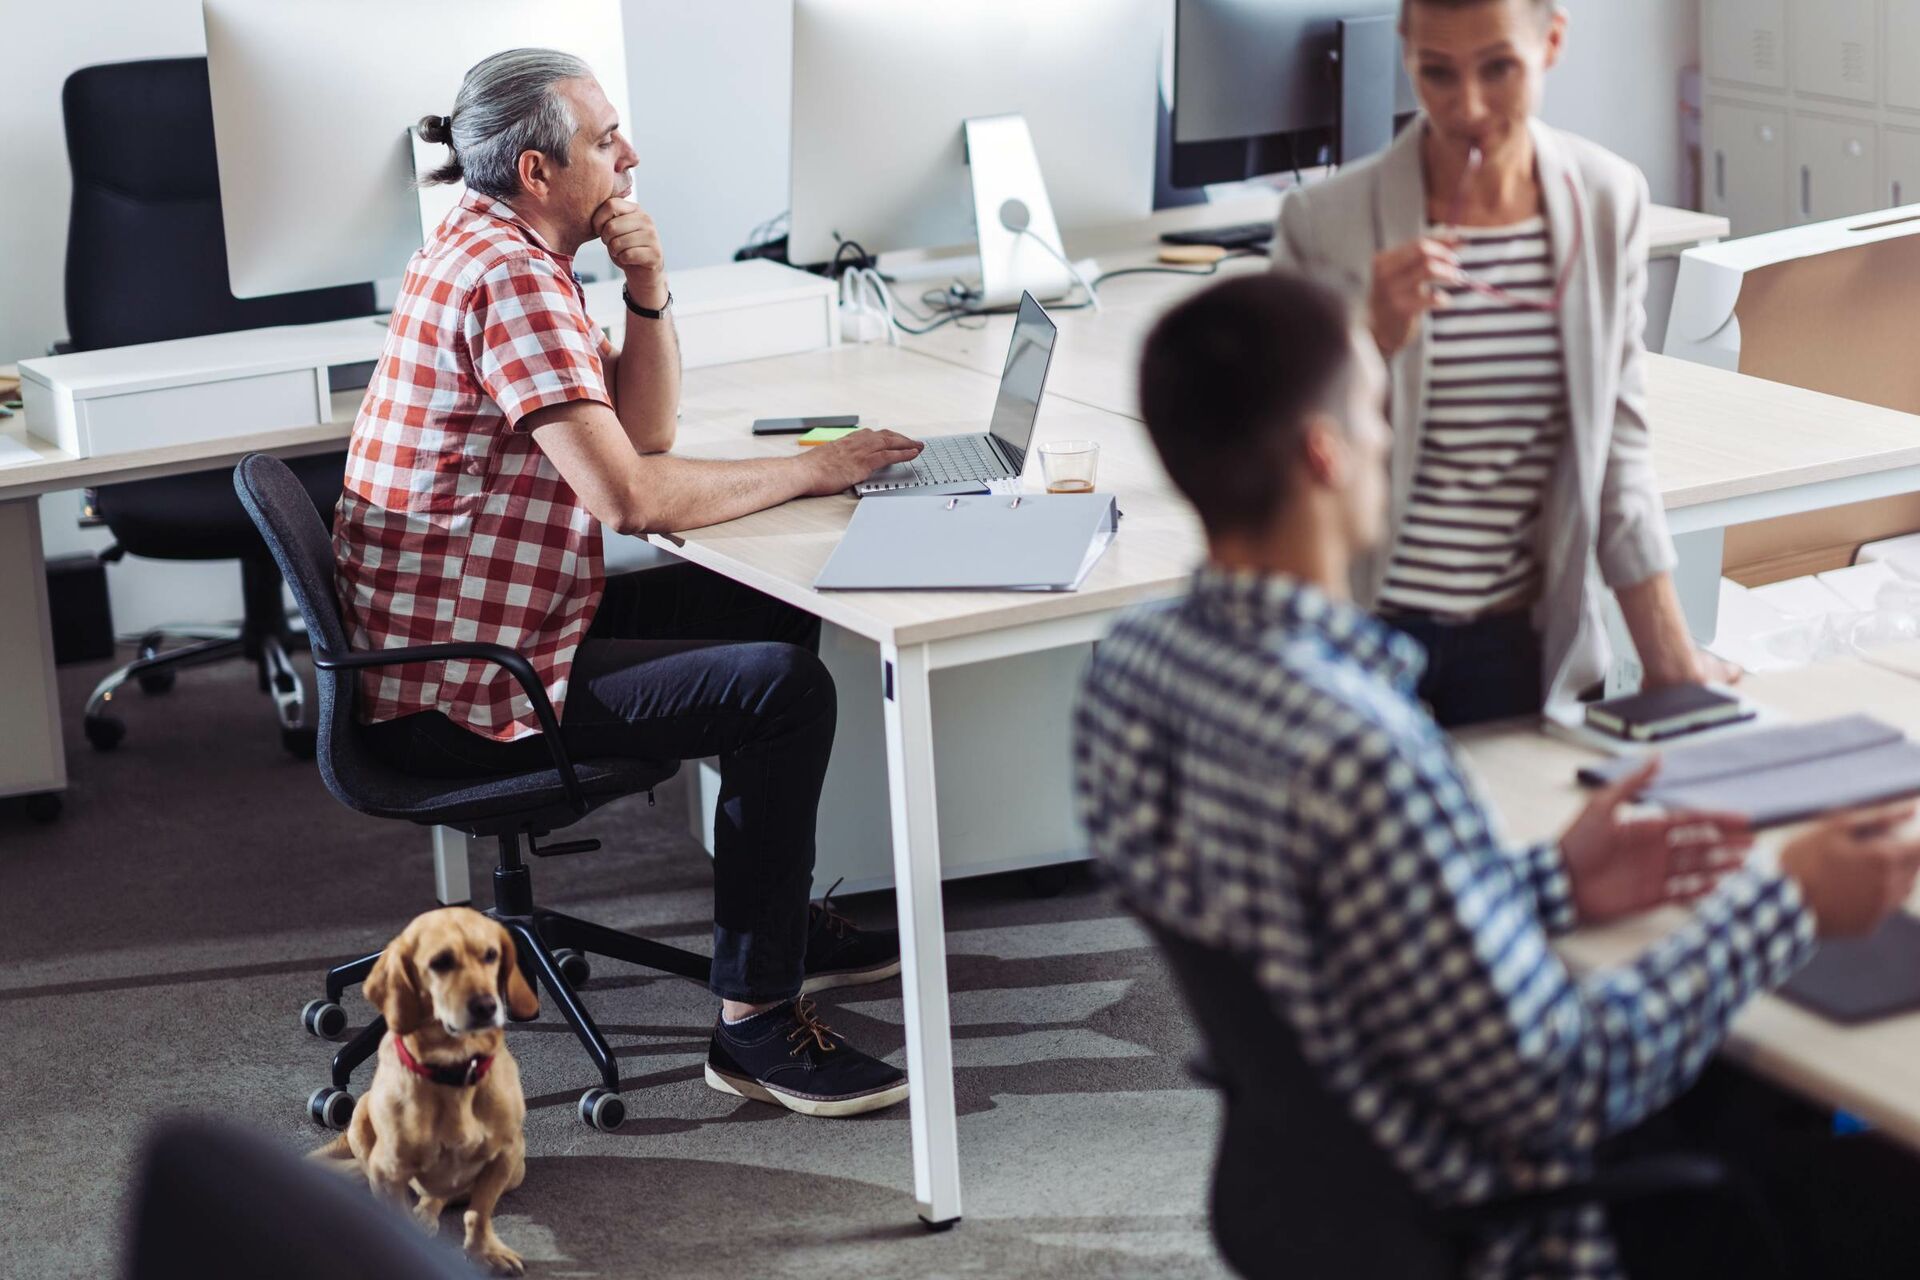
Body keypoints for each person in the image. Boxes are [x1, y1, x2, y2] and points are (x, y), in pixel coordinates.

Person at [1073, 271, 1920, 1278]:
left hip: (1316, 1193)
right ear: (1323, 452)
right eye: (1376, 408)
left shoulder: (1129, 671)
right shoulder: (1361, 748)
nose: (1393, 436)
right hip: (1510, 1217)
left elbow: (1336, 926)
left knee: (1759, 1089)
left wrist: (1556, 878)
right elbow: (1562, 1076)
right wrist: (1789, 899)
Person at [333, 48, 923, 1117]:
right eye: (606, 141)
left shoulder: (497, 245)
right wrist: (816, 466)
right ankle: (753, 1025)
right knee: (783, 692)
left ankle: (774, 917)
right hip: (467, 688)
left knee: (774, 605)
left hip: (490, 633)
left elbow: (641, 430)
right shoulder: (508, 276)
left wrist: (647, 289)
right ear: (536, 173)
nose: (632, 156)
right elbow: (633, 497)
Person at [1270, 0, 1733, 728]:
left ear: (1551, 41)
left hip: (1524, 641)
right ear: (1405, 51)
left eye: (1499, 69)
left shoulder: (1608, 201)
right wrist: (1371, 339)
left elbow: (1618, 446)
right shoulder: (1324, 224)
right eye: (1437, 74)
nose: (1469, 106)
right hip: (1365, 637)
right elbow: (1278, 460)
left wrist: (1669, 658)